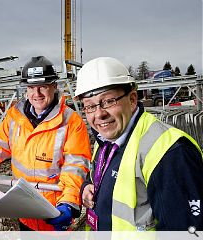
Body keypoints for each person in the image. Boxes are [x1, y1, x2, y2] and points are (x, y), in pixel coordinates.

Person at [0, 56, 91, 231]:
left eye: (43, 86)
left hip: (55, 213)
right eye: (31, 87)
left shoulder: (71, 121)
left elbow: (75, 166)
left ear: (54, 86)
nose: (36, 94)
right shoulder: (16, 116)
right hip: (25, 210)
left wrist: (68, 203)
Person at [76, 57, 203, 231]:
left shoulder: (170, 154)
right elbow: (101, 178)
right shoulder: (106, 139)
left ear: (132, 99)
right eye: (89, 106)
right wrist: (86, 187)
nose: (99, 114)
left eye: (108, 101)